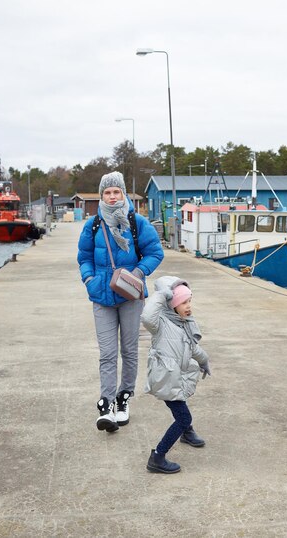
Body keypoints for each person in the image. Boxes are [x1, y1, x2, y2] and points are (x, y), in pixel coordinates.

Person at [77, 171, 164, 433]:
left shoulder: (137, 222)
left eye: (117, 192)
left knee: (129, 350)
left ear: (123, 194)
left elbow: (154, 252)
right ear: (101, 195)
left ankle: (123, 398)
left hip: (130, 297)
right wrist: (89, 278)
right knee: (107, 353)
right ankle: (106, 406)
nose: (112, 196)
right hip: (102, 297)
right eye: (107, 192)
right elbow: (84, 257)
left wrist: (138, 273)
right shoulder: (92, 225)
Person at [141, 275, 211, 474]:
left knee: (181, 406)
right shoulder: (160, 324)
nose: (188, 306)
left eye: (189, 301)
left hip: (176, 377)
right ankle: (158, 456)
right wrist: (161, 295)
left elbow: (193, 348)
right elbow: (147, 316)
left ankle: (186, 433)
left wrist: (203, 360)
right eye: (183, 302)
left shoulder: (184, 323)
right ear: (171, 304)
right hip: (165, 378)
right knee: (183, 417)